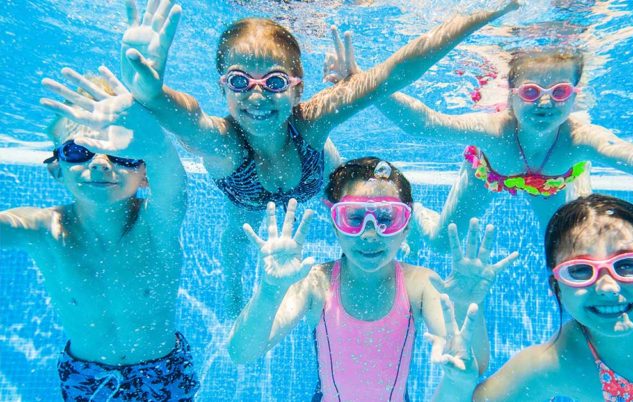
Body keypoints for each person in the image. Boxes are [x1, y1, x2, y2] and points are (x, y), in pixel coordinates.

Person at [118, 0, 522, 315]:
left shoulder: (310, 122)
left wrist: (479, 15)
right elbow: (186, 117)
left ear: (297, 89)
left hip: (317, 170)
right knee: (237, 235)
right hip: (246, 196)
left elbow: (393, 73)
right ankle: (232, 286)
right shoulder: (223, 143)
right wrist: (151, 92)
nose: (256, 96)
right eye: (240, 81)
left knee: (361, 196)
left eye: (274, 82)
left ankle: (404, 237)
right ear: (223, 87)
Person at [324, 42, 633, 251]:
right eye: (532, 92)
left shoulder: (578, 137)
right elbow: (425, 124)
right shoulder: (494, 130)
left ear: (575, 96)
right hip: (489, 174)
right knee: (441, 243)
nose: (544, 104)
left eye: (559, 94)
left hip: (557, 184)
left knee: (575, 249)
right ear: (512, 91)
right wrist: (362, 82)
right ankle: (415, 212)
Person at [429, 166, 633, 401]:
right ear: (556, 285)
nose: (607, 287)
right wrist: (458, 381)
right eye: (580, 271)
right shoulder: (557, 364)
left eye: (628, 265)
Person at [227, 157, 517, 401]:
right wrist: (270, 289)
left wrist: (466, 304)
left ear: (405, 228)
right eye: (353, 218)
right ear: (335, 226)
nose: (369, 234)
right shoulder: (316, 283)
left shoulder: (420, 284)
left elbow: (473, 364)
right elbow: (242, 352)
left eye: (386, 218)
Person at [0, 67, 197, 401]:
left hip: (163, 372)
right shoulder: (42, 229)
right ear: (56, 168)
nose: (103, 163)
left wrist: (153, 138)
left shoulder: (156, 224)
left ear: (145, 173)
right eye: (78, 151)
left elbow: (174, 187)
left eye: (123, 154)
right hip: (87, 378)